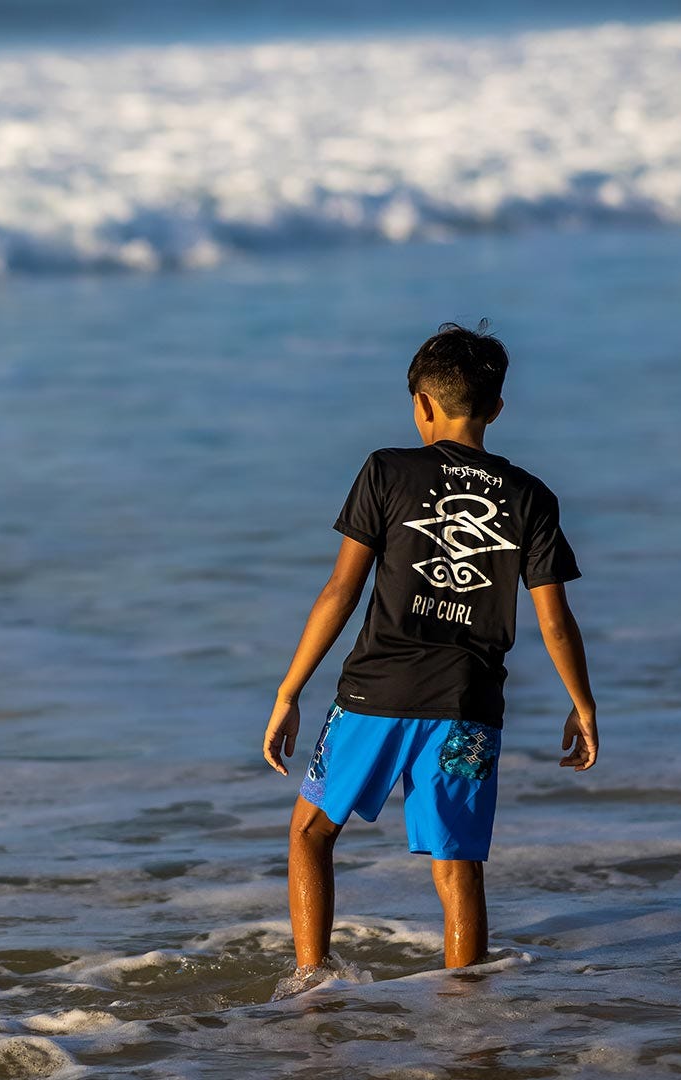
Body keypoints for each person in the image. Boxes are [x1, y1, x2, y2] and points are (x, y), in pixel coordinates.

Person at [261, 320, 598, 997]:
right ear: (497, 408)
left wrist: (289, 691)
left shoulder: (388, 470)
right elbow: (555, 622)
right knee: (458, 865)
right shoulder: (531, 497)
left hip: (374, 694)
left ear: (421, 404)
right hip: (468, 705)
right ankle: (467, 1015)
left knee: (309, 834)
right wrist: (583, 706)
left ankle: (310, 990)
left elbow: (340, 591)